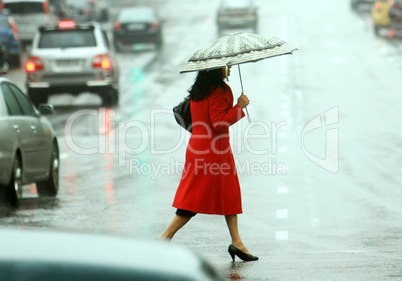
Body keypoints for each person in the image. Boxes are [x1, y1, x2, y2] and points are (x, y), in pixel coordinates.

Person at [160, 66, 258, 262]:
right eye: (226, 65)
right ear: (216, 69)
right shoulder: (220, 90)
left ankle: (237, 241)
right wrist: (239, 106)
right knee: (193, 199)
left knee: (227, 195)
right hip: (214, 153)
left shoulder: (199, 89)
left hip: (199, 148)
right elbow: (219, 123)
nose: (229, 68)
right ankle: (164, 237)